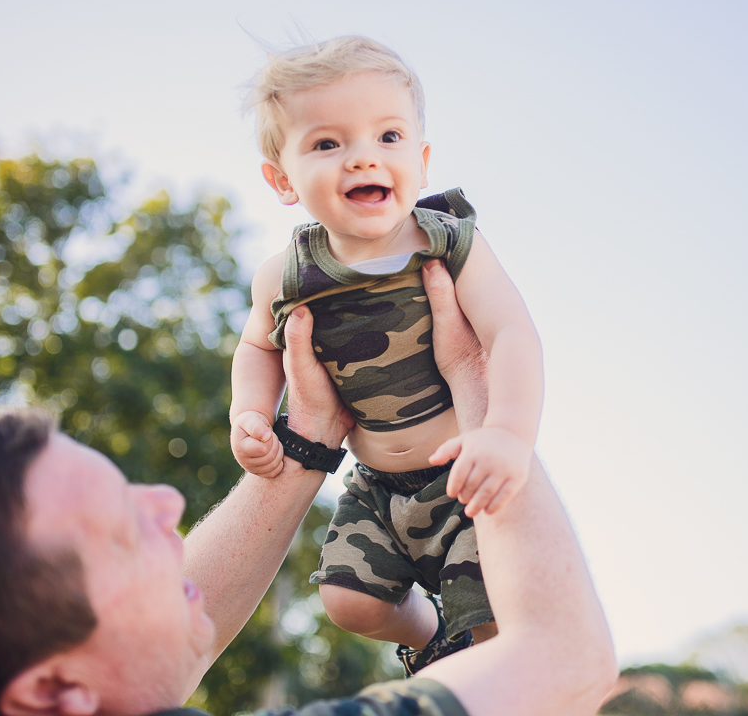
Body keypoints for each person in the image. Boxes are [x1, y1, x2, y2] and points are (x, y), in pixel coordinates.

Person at [0, 263, 616, 716]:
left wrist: (304, 444)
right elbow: (564, 661)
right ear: (55, 692)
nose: (171, 505)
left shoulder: (44, 679)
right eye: (126, 531)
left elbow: (166, 630)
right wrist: (478, 394)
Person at [228, 36, 543, 668]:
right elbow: (256, 348)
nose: (361, 158)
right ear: (283, 180)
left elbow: (513, 333)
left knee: (492, 620)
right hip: (376, 484)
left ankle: (483, 673)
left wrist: (506, 434)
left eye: (388, 137)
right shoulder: (284, 276)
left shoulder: (448, 244)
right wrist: (249, 414)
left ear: (422, 162)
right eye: (328, 143)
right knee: (348, 601)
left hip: (464, 474)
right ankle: (429, 638)